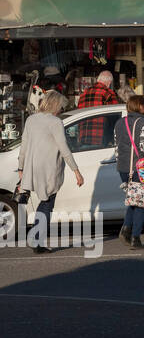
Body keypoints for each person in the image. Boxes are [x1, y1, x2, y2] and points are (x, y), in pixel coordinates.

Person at [15, 91, 84, 254]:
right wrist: (76, 170)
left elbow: (24, 145)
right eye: (61, 106)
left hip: (33, 167)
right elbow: (64, 147)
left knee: (44, 202)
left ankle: (36, 239)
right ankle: (36, 239)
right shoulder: (55, 122)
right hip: (49, 168)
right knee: (47, 203)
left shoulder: (31, 119)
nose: (61, 109)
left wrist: (20, 167)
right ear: (55, 104)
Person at [114, 94, 144, 250]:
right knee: (140, 204)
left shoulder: (119, 123)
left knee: (133, 200)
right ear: (139, 106)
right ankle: (136, 239)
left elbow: (116, 148)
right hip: (139, 168)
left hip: (123, 168)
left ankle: (125, 231)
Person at [76, 70, 121, 146]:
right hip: (99, 138)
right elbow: (115, 117)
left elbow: (78, 112)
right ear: (109, 83)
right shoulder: (108, 93)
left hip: (83, 137)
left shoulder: (84, 93)